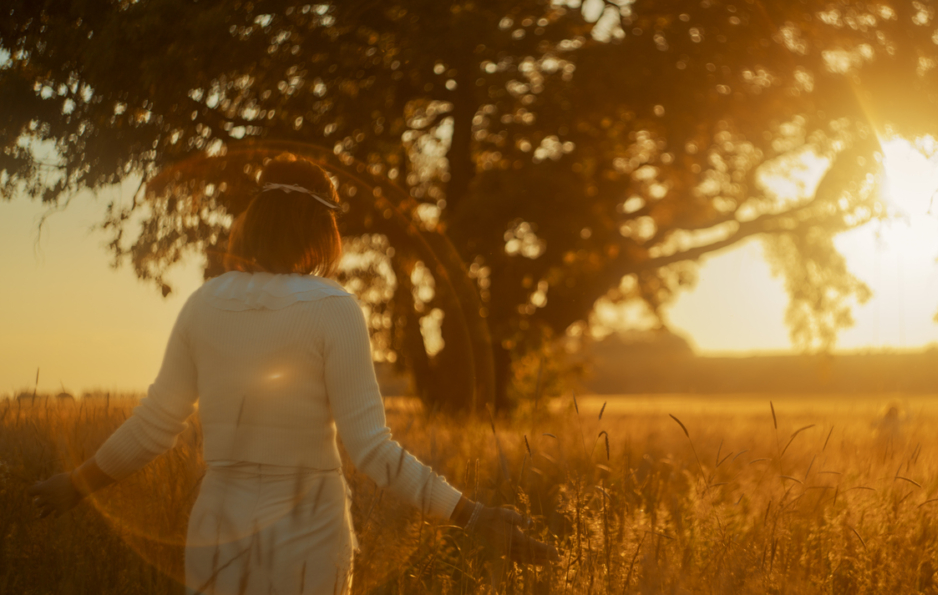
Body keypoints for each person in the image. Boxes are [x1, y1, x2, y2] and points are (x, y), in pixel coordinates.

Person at [29, 156, 557, 594]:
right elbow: (373, 450)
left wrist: (76, 484)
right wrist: (472, 515)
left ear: (255, 220)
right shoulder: (333, 307)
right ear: (321, 226)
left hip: (217, 527)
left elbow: (153, 426)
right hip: (309, 530)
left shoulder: (203, 303)